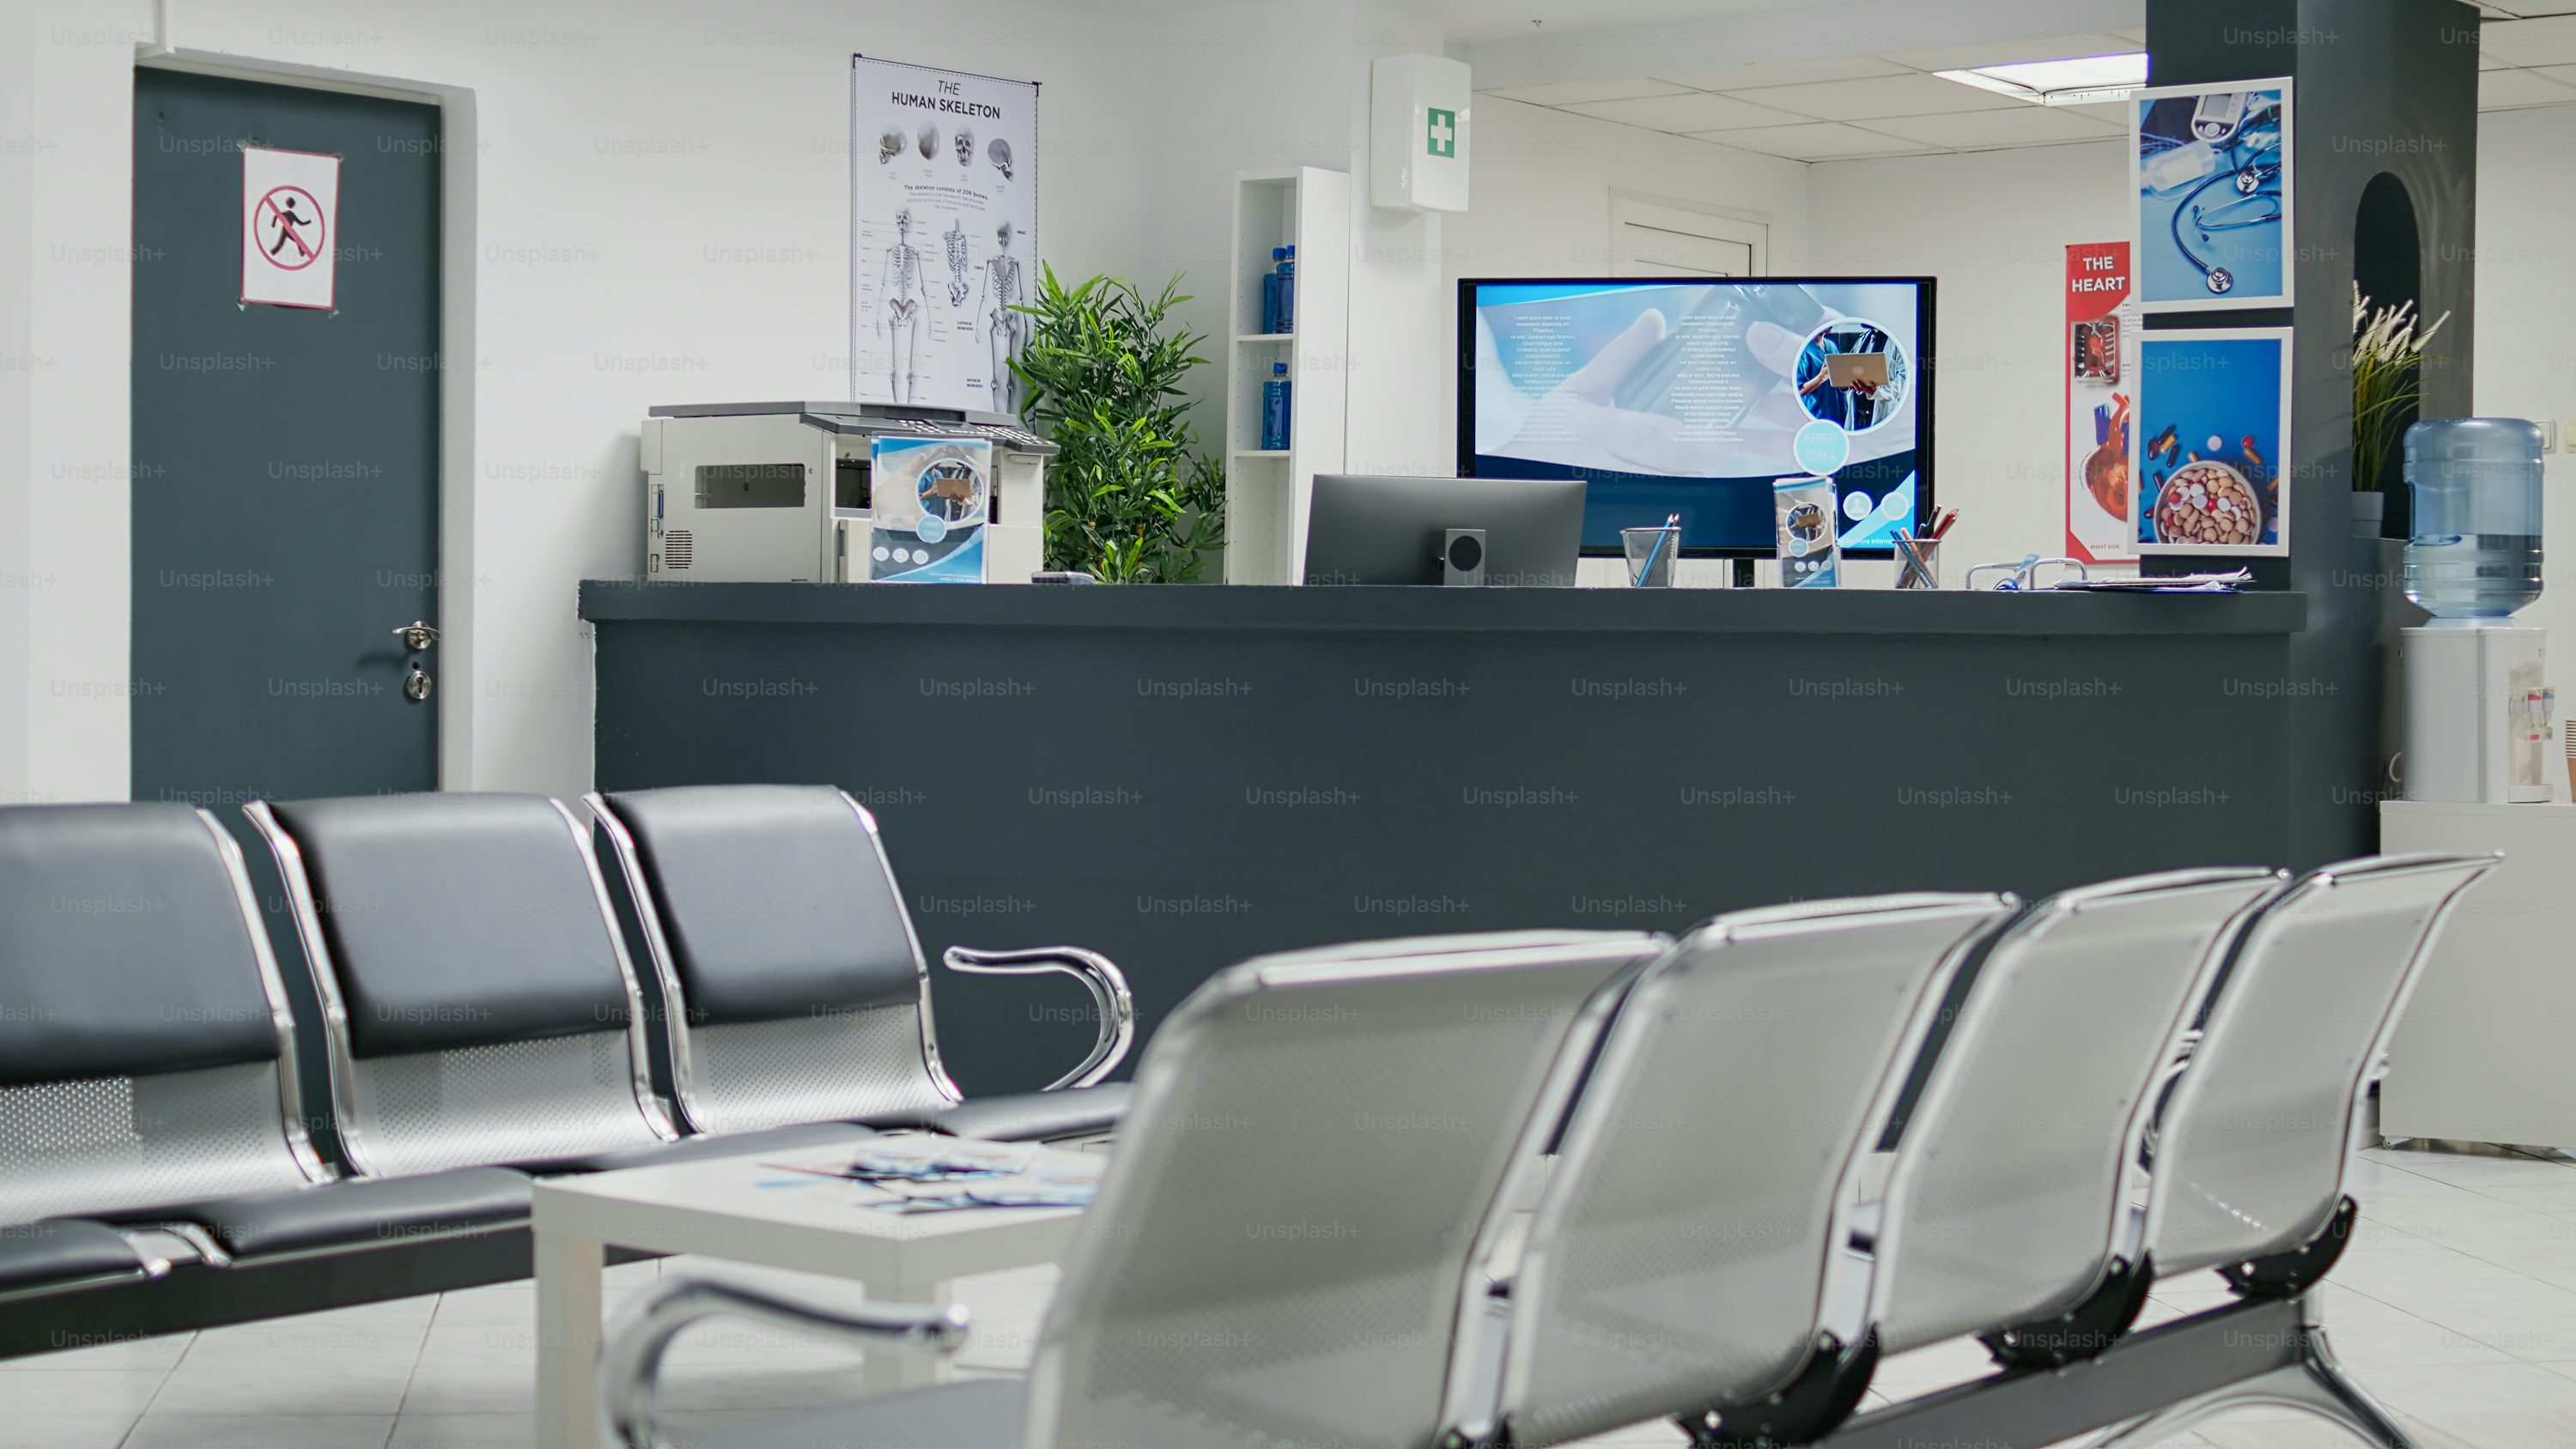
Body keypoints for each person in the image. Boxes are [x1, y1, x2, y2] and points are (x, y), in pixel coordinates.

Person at [876, 209, 931, 403]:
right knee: (895, 359)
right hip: (895, 304)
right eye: (899, 220)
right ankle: (895, 389)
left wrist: (930, 320)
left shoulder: (912, 253)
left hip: (907, 305)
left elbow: (921, 285)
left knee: (909, 357)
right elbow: (883, 282)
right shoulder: (890, 252)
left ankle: (907, 393)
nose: (901, 224)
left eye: (904, 220)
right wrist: (876, 318)